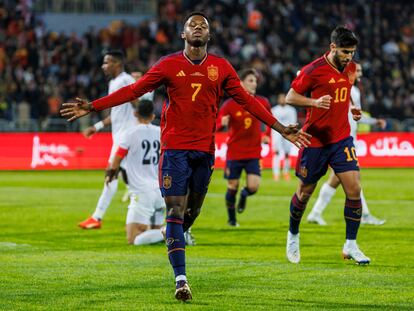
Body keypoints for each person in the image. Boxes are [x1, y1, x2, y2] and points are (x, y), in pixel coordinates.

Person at [61, 12, 311, 301]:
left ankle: (173, 236)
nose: (197, 27)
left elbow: (248, 102)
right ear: (183, 34)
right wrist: (93, 106)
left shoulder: (221, 67)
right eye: (192, 24)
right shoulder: (168, 65)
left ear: (209, 36)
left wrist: (280, 128)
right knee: (175, 212)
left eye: (203, 25)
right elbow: (134, 90)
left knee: (191, 213)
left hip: (204, 151)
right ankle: (181, 280)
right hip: (174, 149)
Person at [284, 26, 371, 265]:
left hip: (341, 139)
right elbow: (291, 96)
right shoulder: (314, 70)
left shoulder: (351, 68)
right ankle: (293, 234)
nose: (349, 57)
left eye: (352, 52)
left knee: (353, 189)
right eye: (344, 52)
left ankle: (350, 245)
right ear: (333, 47)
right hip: (314, 141)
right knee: (304, 194)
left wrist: (352, 108)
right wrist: (313, 101)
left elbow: (346, 90)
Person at [307, 63, 387, 226]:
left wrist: (373, 121)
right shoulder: (350, 90)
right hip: (342, 139)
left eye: (360, 71)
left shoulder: (351, 89)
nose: (360, 74)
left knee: (338, 179)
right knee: (353, 176)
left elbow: (356, 115)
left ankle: (315, 213)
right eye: (357, 70)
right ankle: (364, 214)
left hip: (346, 138)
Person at [78, 50, 137, 229]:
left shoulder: (125, 80)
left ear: (117, 63)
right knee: (134, 179)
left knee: (111, 175)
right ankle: (155, 212)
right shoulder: (115, 82)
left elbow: (137, 103)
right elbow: (116, 114)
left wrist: (140, 124)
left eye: (107, 62)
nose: (104, 66)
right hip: (121, 136)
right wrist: (96, 127)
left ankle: (97, 217)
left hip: (127, 137)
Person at [106, 99, 165, 245]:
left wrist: (110, 175)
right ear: (152, 116)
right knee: (153, 233)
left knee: (133, 239)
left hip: (142, 191)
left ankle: (177, 233)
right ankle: (171, 233)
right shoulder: (160, 132)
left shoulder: (129, 133)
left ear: (135, 114)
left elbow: (117, 158)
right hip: (160, 190)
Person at [217, 68, 271, 227]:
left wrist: (267, 134)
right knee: (232, 186)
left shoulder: (262, 102)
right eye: (250, 81)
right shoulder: (229, 105)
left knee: (253, 187)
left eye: (255, 81)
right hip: (234, 152)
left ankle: (244, 194)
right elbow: (217, 125)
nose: (254, 84)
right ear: (241, 83)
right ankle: (232, 219)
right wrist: (222, 124)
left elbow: (270, 120)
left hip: (254, 152)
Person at [271, 93, 298, 181]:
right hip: (276, 133)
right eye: (280, 98)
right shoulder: (274, 110)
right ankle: (276, 174)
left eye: (283, 98)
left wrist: (293, 132)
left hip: (288, 133)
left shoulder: (291, 110)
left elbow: (294, 122)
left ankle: (286, 172)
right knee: (276, 153)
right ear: (278, 100)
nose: (282, 100)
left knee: (287, 154)